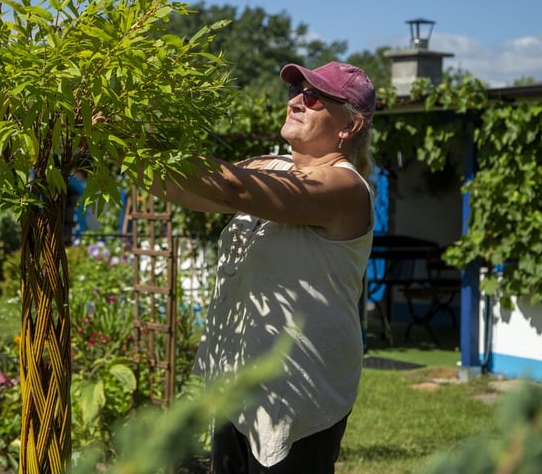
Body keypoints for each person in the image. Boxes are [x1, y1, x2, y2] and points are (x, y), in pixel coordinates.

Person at [148, 61, 376, 473]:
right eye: (296, 92)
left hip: (299, 397)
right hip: (237, 385)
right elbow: (180, 186)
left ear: (350, 126)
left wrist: (133, 147)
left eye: (313, 97)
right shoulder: (267, 165)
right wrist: (114, 146)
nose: (296, 102)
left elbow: (233, 188)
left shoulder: (344, 188)